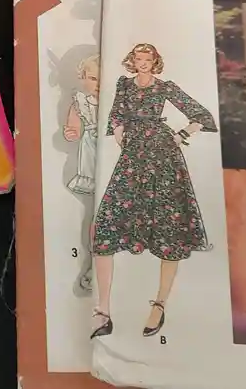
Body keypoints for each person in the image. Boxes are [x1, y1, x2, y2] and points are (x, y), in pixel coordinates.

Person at [90, 44, 216, 339]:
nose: (143, 63)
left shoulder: (164, 87)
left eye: (148, 59)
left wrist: (182, 134)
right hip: (133, 156)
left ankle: (159, 306)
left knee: (170, 227)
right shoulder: (124, 85)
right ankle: (103, 311)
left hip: (163, 156)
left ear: (155, 61)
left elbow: (202, 115)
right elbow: (116, 116)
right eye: (139, 58)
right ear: (132, 61)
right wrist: (122, 138)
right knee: (106, 225)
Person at [63, 54, 100, 294]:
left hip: (117, 153)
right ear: (82, 78)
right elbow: (74, 123)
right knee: (97, 211)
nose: (97, 85)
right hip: (92, 154)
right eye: (92, 78)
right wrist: (72, 132)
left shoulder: (120, 99)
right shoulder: (80, 100)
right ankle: (93, 263)